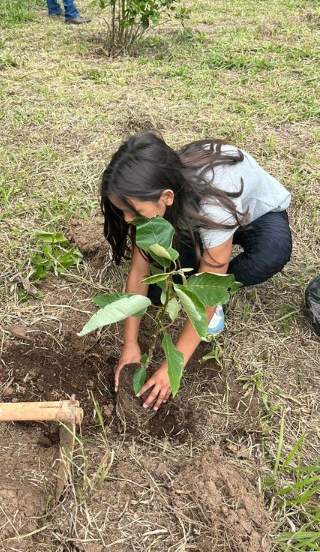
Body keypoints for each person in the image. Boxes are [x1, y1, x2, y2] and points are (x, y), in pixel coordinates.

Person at [99, 132, 291, 411]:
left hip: (255, 216)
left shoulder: (213, 209)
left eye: (134, 211)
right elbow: (139, 271)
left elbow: (208, 287)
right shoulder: (156, 191)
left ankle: (212, 283)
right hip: (195, 214)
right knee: (156, 291)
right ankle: (201, 265)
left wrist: (171, 367)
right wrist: (130, 343)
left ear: (166, 196)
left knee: (267, 255)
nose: (128, 219)